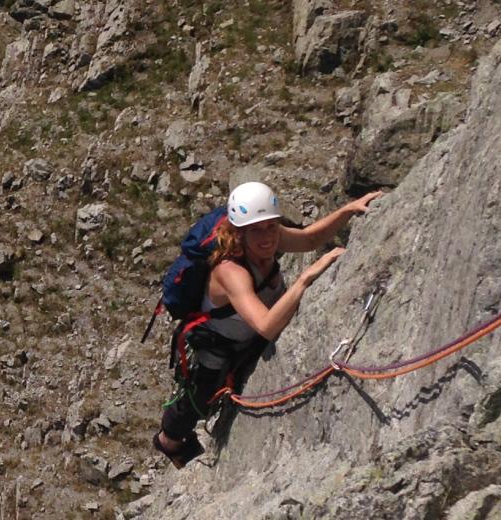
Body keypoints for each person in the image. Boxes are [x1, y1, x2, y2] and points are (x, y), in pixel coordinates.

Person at [154, 182, 383, 467]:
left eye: (271, 227)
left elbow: (309, 239)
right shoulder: (230, 272)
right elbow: (266, 325)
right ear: (240, 232)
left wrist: (348, 210)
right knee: (198, 402)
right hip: (219, 346)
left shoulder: (268, 236)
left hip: (249, 336)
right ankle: (168, 440)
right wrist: (304, 279)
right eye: (257, 230)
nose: (267, 237)